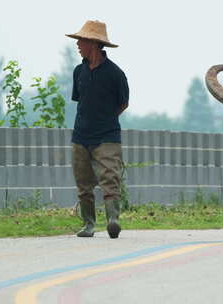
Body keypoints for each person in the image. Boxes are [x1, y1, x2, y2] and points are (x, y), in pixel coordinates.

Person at [65, 20, 129, 239]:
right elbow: (80, 101)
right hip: (81, 136)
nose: (77, 45)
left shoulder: (115, 74)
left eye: (81, 41)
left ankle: (113, 220)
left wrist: (106, 120)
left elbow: (123, 103)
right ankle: (89, 224)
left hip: (107, 137)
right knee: (83, 183)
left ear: (93, 43)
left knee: (110, 179)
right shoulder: (78, 72)